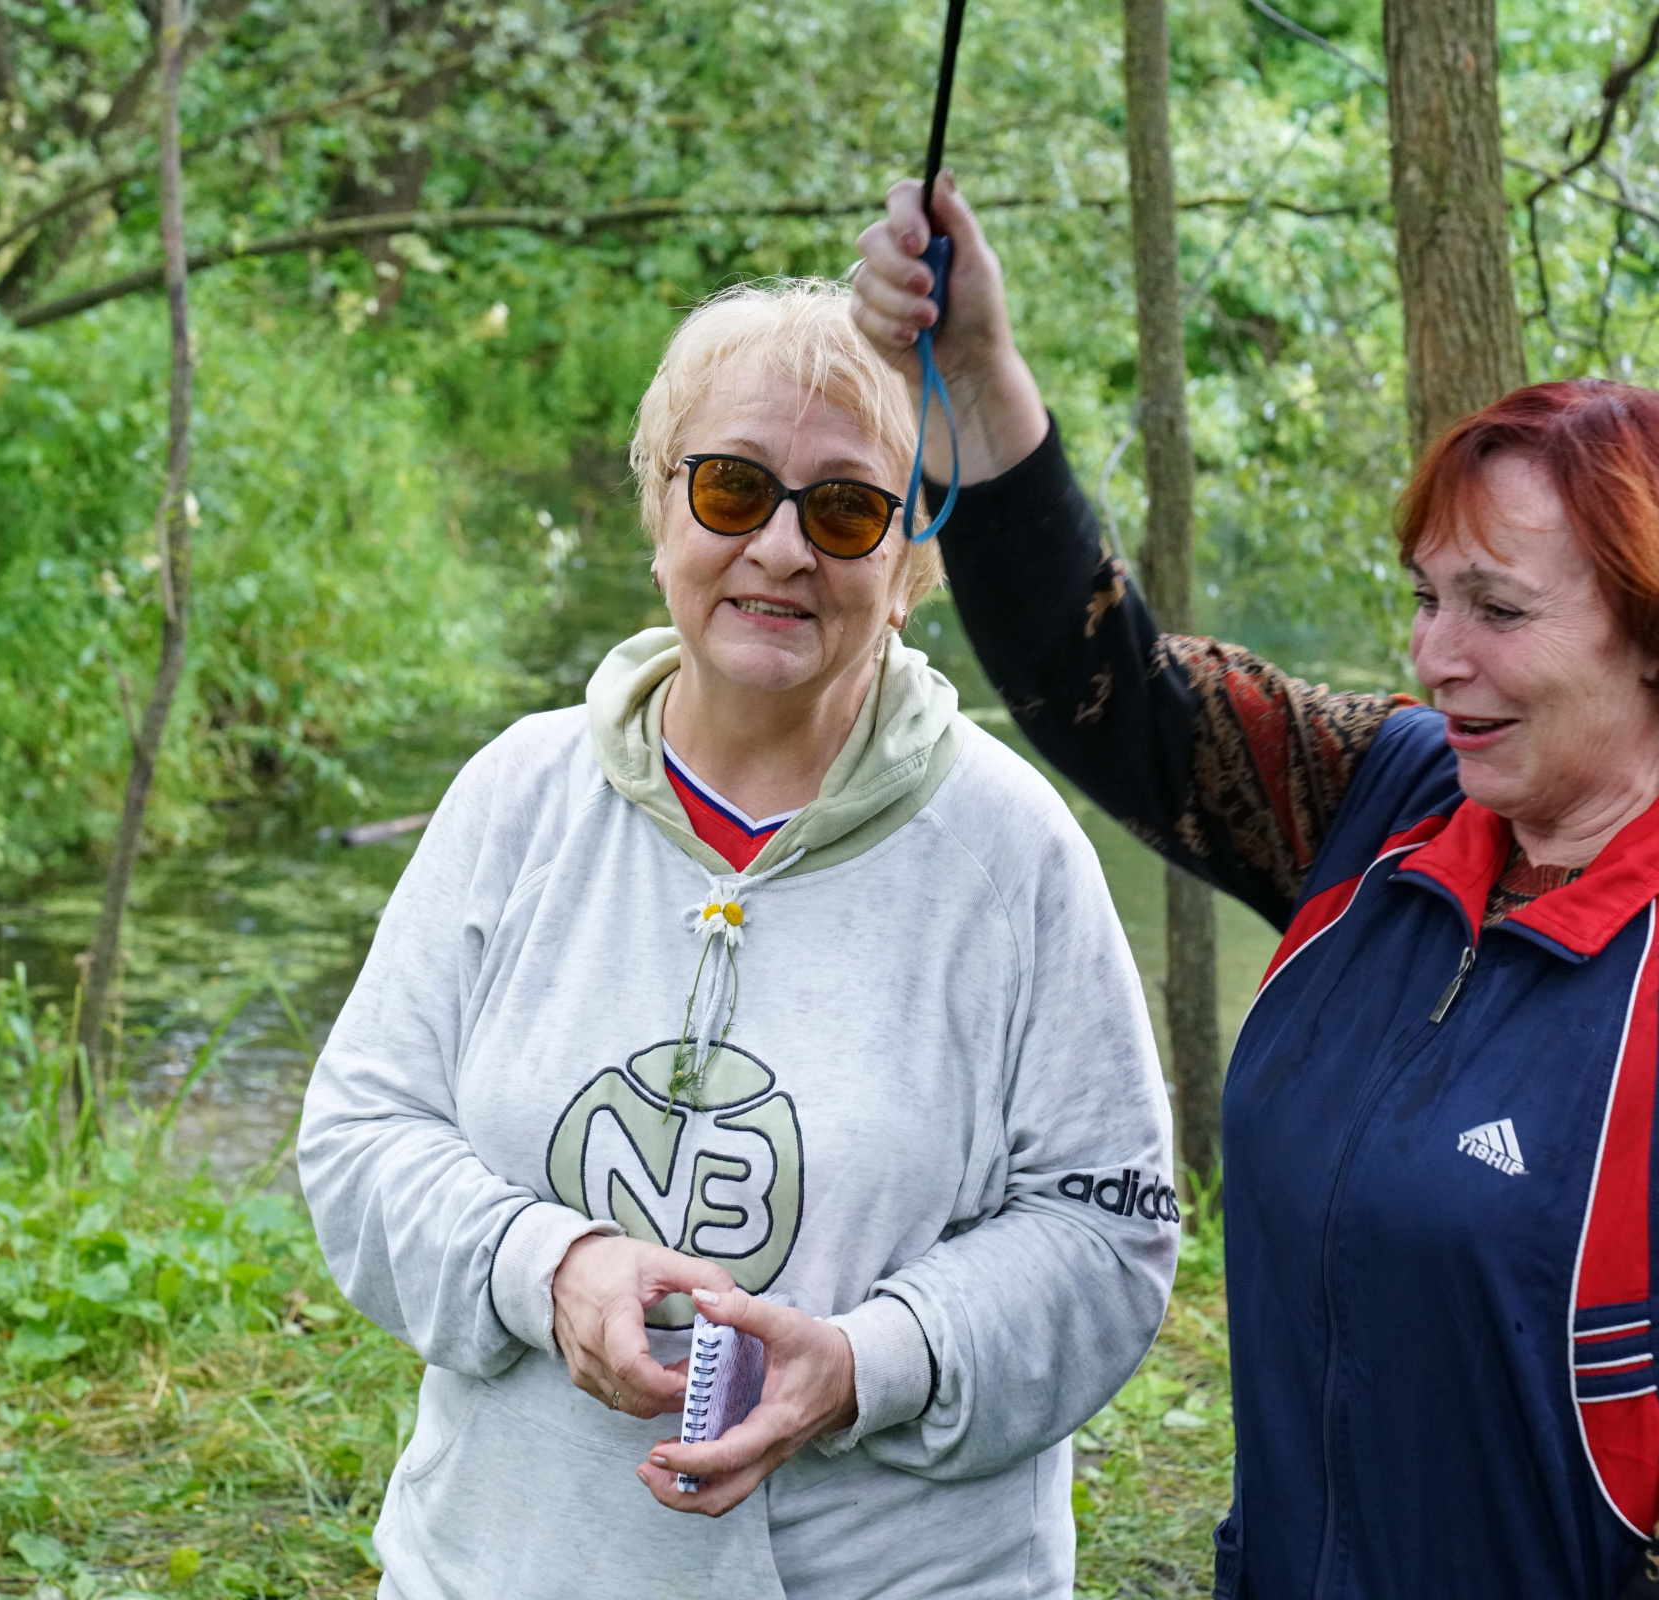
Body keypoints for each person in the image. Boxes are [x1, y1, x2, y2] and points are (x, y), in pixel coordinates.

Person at [850, 178, 1659, 1599]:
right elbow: (1110, 690)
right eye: (1427, 598)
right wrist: (978, 367)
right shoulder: (1388, 800)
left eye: (1497, 609)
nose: (1436, 656)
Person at [296, 279, 1179, 1600]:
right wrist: (549, 1267)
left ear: (911, 560)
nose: (780, 548)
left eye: (845, 509)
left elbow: (1106, 1239)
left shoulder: (1011, 854)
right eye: (730, 489)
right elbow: (362, 1137)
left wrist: (871, 1364)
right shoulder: (518, 798)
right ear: (659, 511)